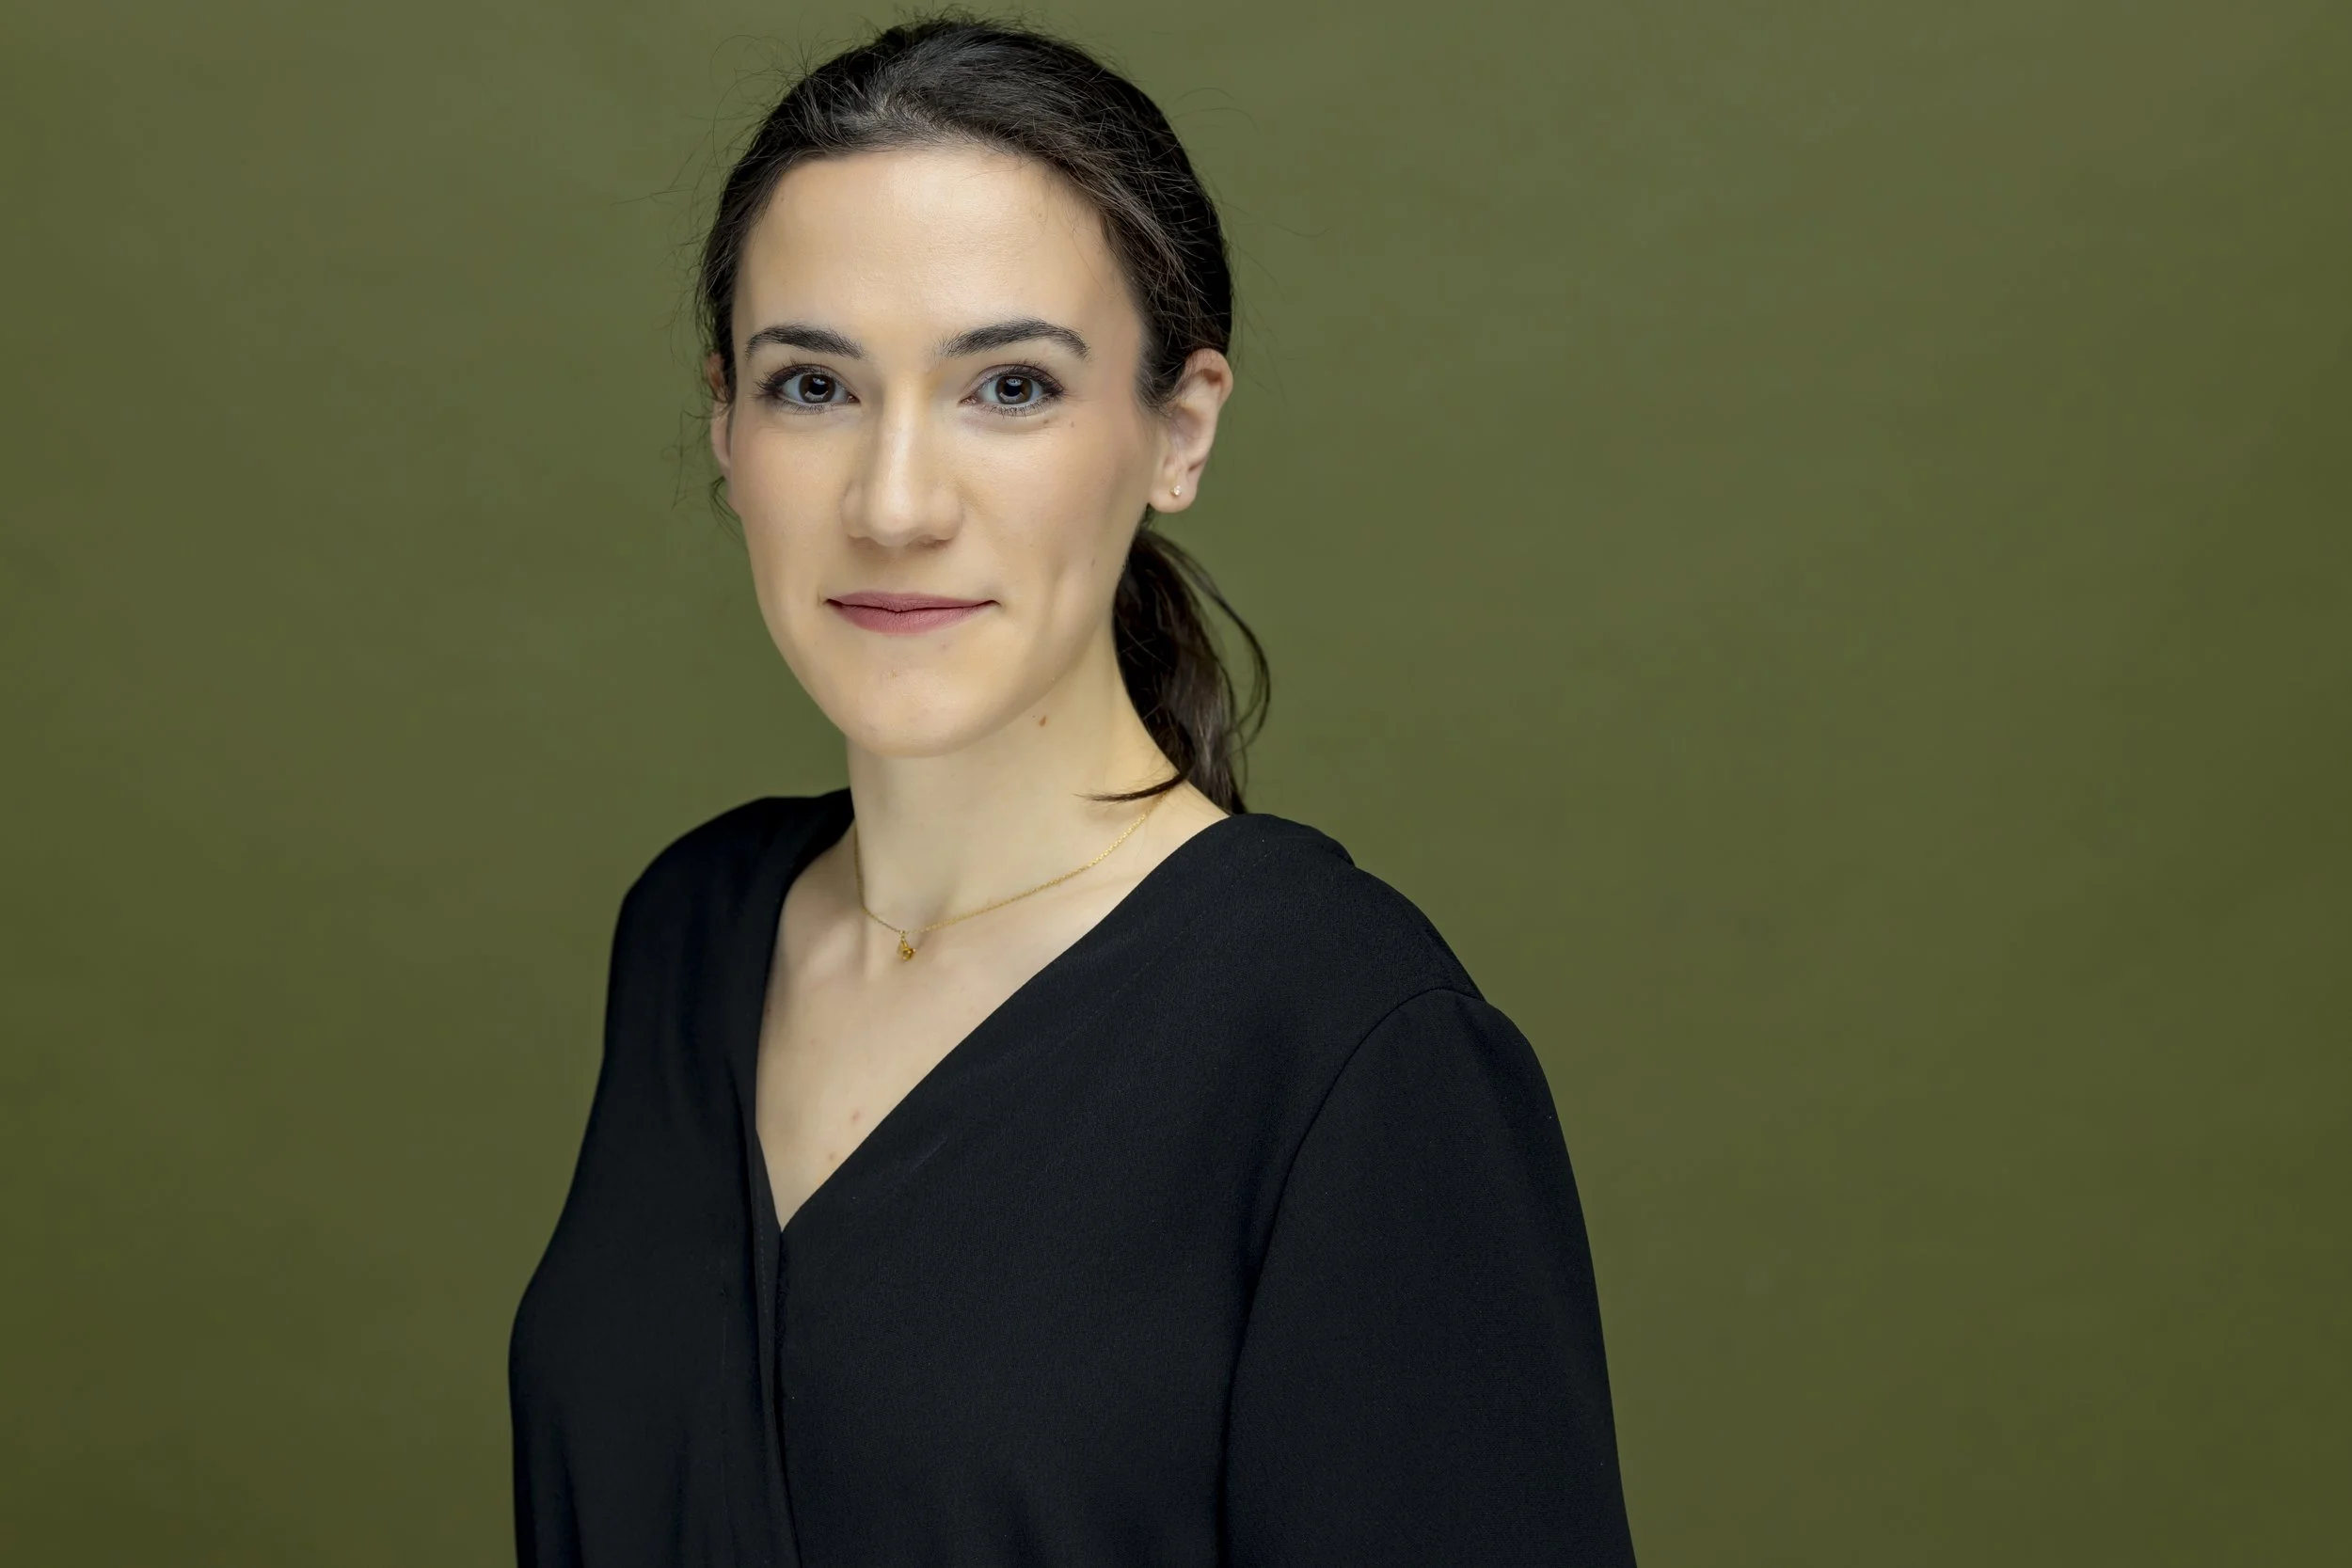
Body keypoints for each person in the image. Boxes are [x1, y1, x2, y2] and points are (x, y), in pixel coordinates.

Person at [507, 16, 1637, 1566]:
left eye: (1011, 387)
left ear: (1180, 428)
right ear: (726, 426)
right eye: (814, 387)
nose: (894, 503)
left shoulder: (1350, 1043)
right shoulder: (691, 933)